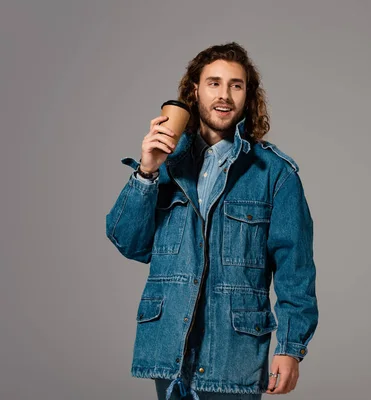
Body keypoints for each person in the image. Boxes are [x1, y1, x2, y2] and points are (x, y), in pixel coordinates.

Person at [105, 42, 318, 399]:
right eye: (214, 83)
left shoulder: (274, 174)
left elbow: (295, 267)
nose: (225, 95)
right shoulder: (166, 166)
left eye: (236, 85)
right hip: (169, 352)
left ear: (247, 95)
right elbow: (130, 243)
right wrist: (146, 172)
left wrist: (290, 347)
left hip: (232, 355)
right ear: (194, 90)